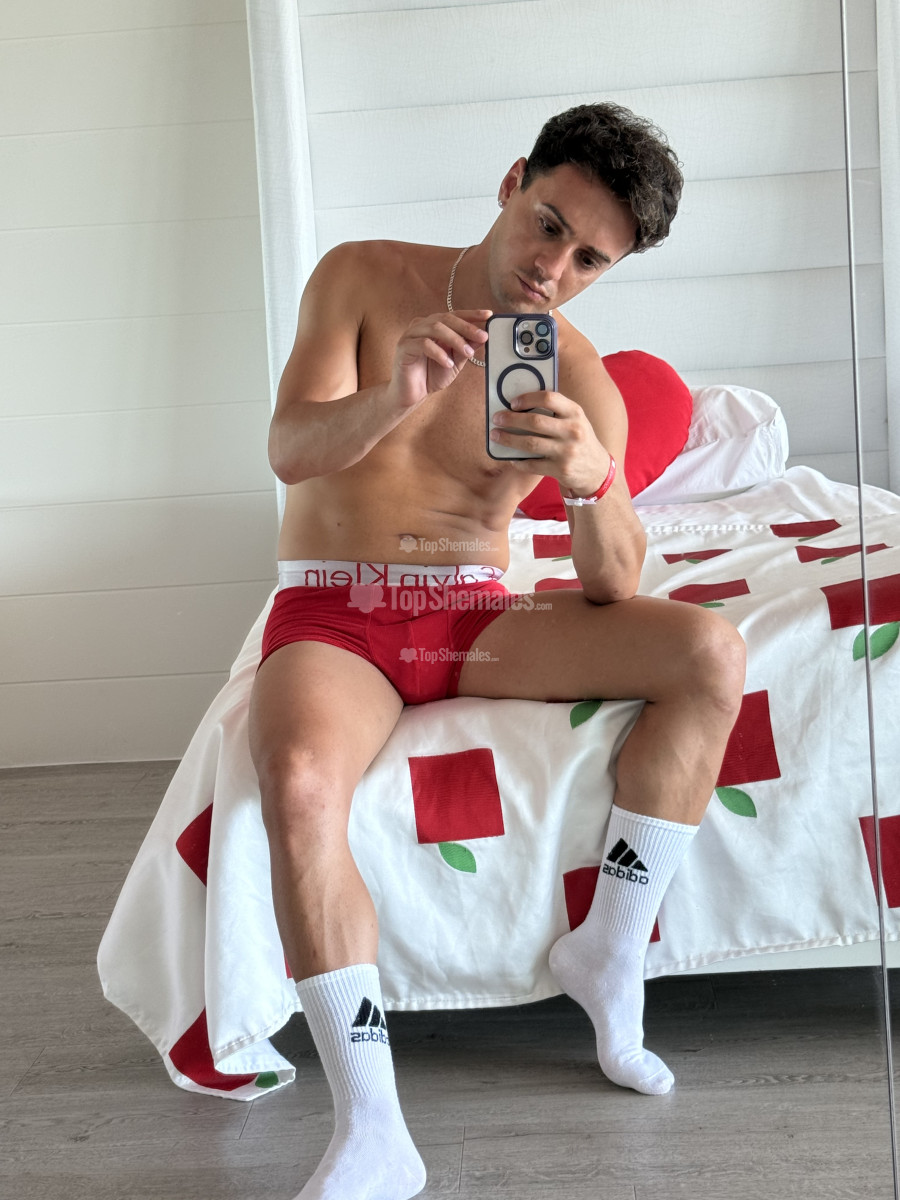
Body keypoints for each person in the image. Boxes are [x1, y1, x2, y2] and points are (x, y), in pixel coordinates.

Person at [248, 102, 746, 1200]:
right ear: (514, 180)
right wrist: (391, 394)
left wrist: (591, 479)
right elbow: (289, 449)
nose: (553, 270)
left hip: (476, 621)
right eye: (549, 225)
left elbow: (615, 582)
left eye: (589, 260)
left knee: (709, 655)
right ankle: (373, 1128)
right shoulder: (361, 275)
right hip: (337, 613)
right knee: (297, 779)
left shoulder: (580, 375)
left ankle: (610, 948)